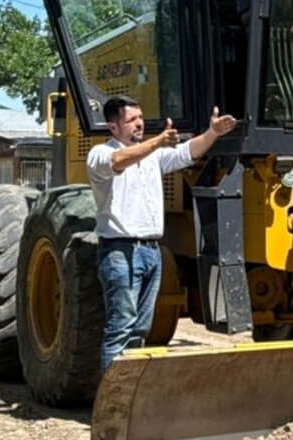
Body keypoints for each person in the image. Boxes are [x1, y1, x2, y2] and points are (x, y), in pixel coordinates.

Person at [86, 95, 237, 372]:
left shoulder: (152, 157)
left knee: (140, 329)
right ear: (113, 127)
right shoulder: (100, 154)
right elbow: (118, 161)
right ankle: (111, 402)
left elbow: (186, 153)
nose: (139, 124)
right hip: (120, 251)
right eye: (131, 120)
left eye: (141, 118)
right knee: (121, 326)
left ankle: (127, 393)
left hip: (151, 251)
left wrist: (212, 133)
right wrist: (156, 141)